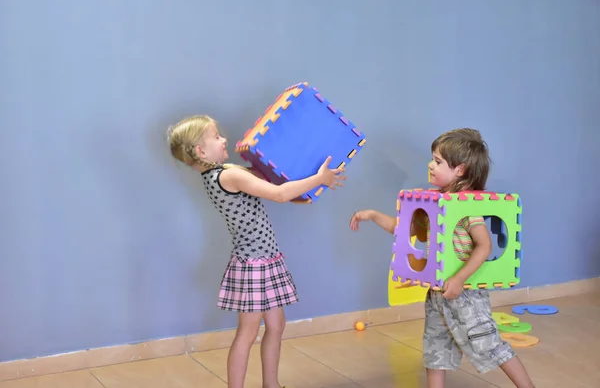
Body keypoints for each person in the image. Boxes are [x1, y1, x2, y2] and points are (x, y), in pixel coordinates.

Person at [167, 115, 346, 388]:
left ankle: (270, 385)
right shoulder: (229, 174)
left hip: (264, 259)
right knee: (248, 332)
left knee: (276, 325)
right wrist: (319, 178)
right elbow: (279, 194)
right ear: (200, 151)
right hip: (254, 264)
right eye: (216, 136)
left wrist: (296, 188)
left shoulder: (217, 174)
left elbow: (272, 186)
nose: (223, 138)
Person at [349, 128, 535, 388]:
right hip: (437, 292)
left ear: (460, 169)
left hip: (465, 292)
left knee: (488, 342)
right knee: (436, 349)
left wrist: (459, 279)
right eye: (433, 159)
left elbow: (484, 245)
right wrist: (372, 215)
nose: (430, 165)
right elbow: (406, 230)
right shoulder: (434, 203)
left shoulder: (466, 208)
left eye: (437, 161)